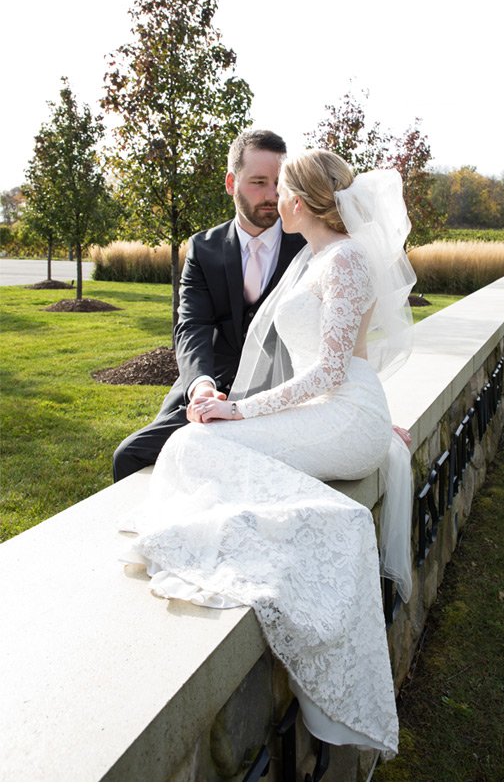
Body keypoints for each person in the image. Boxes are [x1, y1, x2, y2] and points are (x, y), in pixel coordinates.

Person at [120, 150, 416, 757]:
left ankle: (324, 525)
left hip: (344, 412)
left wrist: (242, 409)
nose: (273, 197)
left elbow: (334, 370)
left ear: (298, 203)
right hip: (328, 410)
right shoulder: (316, 256)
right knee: (192, 442)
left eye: (279, 189)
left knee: (199, 442)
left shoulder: (348, 258)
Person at [112, 127, 304, 481]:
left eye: (279, 183)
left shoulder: (306, 245)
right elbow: (192, 325)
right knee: (130, 457)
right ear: (231, 183)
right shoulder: (204, 248)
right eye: (258, 182)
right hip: (210, 384)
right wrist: (201, 385)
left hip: (280, 396)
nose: (272, 194)